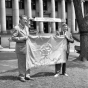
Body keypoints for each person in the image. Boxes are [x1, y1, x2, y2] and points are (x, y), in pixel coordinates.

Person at [11, 15, 32, 82]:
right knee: (21, 62)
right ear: (20, 20)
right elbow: (13, 38)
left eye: (26, 20)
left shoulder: (26, 27)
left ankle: (27, 75)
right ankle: (21, 76)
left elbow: (28, 36)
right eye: (24, 19)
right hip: (20, 48)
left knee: (28, 62)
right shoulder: (16, 28)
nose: (26, 21)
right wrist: (23, 38)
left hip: (27, 48)